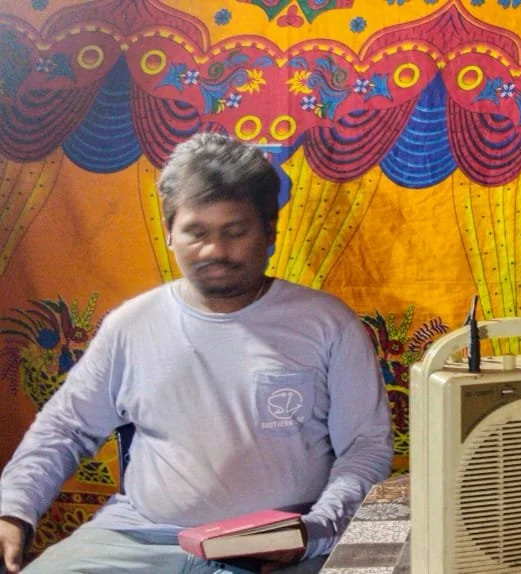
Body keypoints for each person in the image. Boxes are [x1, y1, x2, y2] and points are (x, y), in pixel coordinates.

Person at [0, 133, 392, 574]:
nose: (215, 251)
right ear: (169, 232)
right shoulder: (131, 326)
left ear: (269, 232)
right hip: (144, 538)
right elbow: (65, 429)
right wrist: (13, 511)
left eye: (235, 232)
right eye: (196, 232)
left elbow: (365, 447)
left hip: (289, 543)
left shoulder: (327, 324)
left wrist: (316, 529)